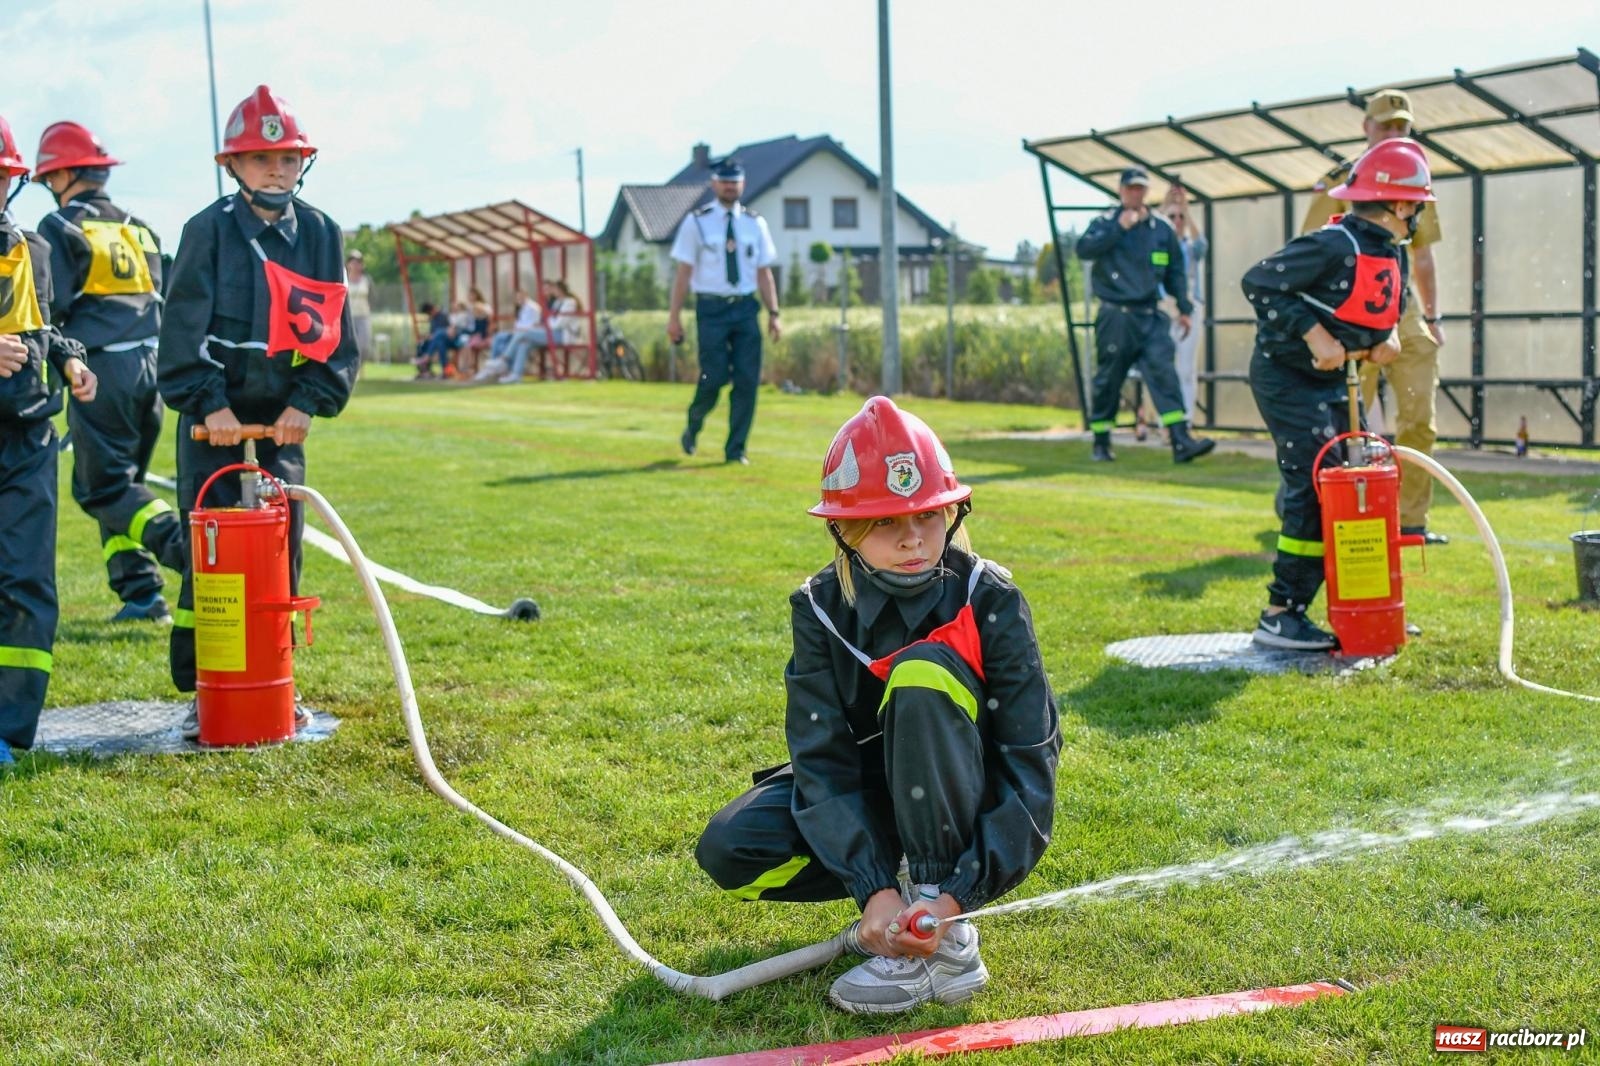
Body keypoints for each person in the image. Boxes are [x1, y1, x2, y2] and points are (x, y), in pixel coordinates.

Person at [696, 397, 1060, 1013]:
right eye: (886, 521)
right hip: (879, 798)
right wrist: (872, 890)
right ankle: (899, 898)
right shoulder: (817, 608)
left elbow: (1030, 761)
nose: (913, 537)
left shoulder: (990, 596)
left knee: (921, 674)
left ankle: (945, 938)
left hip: (967, 799)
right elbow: (821, 755)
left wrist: (954, 896)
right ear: (844, 529)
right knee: (732, 848)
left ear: (952, 512)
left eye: (927, 515)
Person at [157, 85, 358, 737]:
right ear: (233, 166)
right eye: (261, 158)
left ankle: (279, 681)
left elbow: (333, 336)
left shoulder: (321, 233)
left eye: (288, 158)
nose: (276, 170)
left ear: (303, 163)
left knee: (282, 544)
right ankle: (205, 685)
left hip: (283, 412)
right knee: (209, 546)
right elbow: (181, 332)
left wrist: (307, 402)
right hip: (212, 415)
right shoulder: (206, 231)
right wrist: (209, 404)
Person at [1243, 138, 1433, 651]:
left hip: (1336, 379)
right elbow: (1259, 282)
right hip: (1286, 377)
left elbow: (1392, 301)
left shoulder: (1391, 250)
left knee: (1365, 478)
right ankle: (1281, 613)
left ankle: (1367, 602)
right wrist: (1313, 334)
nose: (1418, 213)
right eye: (1417, 204)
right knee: (1316, 483)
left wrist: (1388, 335)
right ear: (1399, 204)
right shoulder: (1331, 244)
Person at [34, 120, 184, 623]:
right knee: (124, 484)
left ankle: (186, 553)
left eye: (49, 178)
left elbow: (49, 306)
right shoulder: (139, 227)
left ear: (64, 174)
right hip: (151, 368)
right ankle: (141, 594)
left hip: (101, 370)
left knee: (102, 489)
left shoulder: (61, 227)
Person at [1302, 89, 1448, 545]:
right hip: (1351, 311)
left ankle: (1411, 522)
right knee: (1347, 423)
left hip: (1404, 309)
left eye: (1402, 126)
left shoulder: (1415, 179)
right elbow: (1310, 253)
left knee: (1419, 418)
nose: (1394, 133)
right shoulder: (1339, 182)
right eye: (1385, 126)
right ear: (1366, 127)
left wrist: (1432, 318)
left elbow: (1421, 256)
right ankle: (1340, 513)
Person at [0, 114, 99, 765]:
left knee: (28, 584)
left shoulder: (32, 246)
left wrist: (68, 358)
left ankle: (9, 728)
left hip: (30, 439)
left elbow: (42, 326)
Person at [1076, 167, 1214, 464]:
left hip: (1151, 316)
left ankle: (1180, 441)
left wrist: (1185, 309)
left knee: (1165, 374)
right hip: (1116, 317)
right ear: (1121, 191)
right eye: (1131, 188)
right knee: (1109, 380)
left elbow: (1176, 272)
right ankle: (1101, 442)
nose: (1135, 194)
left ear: (1146, 192)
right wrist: (1118, 229)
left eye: (1140, 188)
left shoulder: (1161, 229)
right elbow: (1084, 250)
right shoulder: (1105, 223)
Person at [667, 156, 780, 465]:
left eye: (735, 182)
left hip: (745, 309)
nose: (730, 187)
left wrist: (774, 313)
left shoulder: (755, 223)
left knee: (746, 381)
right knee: (713, 378)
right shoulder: (696, 222)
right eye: (725, 182)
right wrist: (674, 317)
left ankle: (736, 450)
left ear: (742, 184)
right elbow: (683, 273)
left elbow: (764, 273)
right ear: (714, 184)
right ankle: (694, 423)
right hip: (711, 310)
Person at [1161, 181, 1207, 422]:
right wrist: (1165, 205)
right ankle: (1168, 420)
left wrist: (1185, 209)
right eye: (1172, 217)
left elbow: (1202, 246)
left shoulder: (1189, 247)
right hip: (1165, 307)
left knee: (1186, 368)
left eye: (1180, 217)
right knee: (1165, 364)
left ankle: (1186, 420)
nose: (1177, 221)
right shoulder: (1159, 244)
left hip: (1190, 308)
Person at [475, 289, 541, 382]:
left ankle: (502, 362)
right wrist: (515, 329)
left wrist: (519, 329)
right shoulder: (521, 308)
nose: (518, 299)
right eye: (517, 297)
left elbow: (535, 325)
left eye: (520, 296)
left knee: (511, 343)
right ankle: (493, 366)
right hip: (517, 332)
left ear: (525, 295)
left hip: (526, 333)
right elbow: (519, 324)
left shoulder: (533, 307)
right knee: (498, 337)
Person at [345, 250, 373, 364]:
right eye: (353, 262)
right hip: (348, 318)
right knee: (349, 345)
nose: (355, 265)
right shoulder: (344, 279)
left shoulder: (367, 280)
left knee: (364, 346)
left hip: (363, 317)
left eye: (358, 262)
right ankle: (351, 368)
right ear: (348, 264)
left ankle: (359, 366)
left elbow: (371, 297)